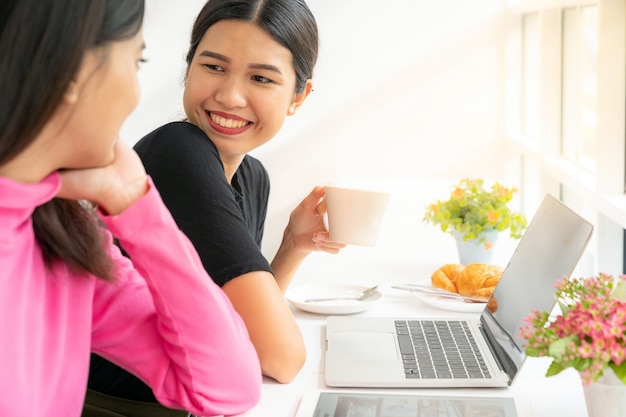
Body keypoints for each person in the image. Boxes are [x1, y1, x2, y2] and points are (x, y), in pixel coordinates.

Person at [0, 1, 262, 416]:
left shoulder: (64, 237)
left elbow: (228, 388)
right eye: (136, 60)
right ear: (72, 69)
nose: (135, 96)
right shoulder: (179, 151)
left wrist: (136, 204)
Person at [85, 0, 344, 413]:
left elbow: (241, 328)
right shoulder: (179, 153)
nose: (229, 96)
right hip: (116, 408)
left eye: (260, 78)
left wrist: (292, 248)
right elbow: (280, 357)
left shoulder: (251, 175)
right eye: (214, 67)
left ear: (299, 95)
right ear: (189, 68)